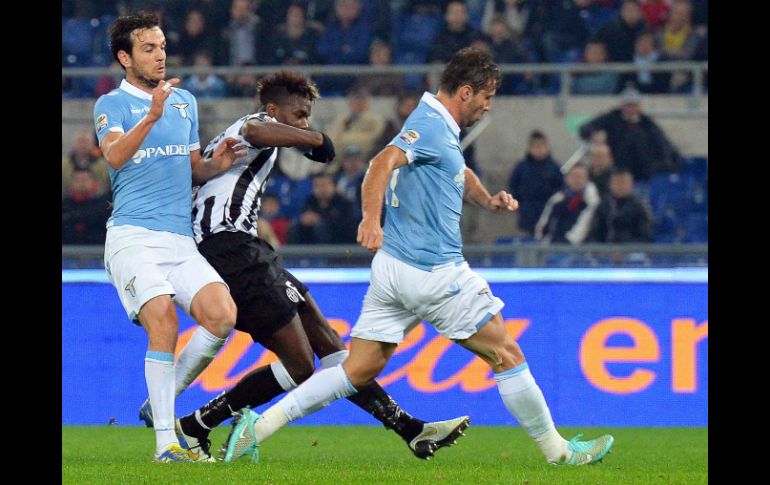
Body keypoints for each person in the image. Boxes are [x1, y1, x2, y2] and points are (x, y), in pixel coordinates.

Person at [220, 48, 615, 466]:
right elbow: (380, 164)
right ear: (466, 91)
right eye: (488, 96)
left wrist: (487, 200)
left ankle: (257, 427)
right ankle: (559, 453)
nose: (488, 105)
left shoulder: (439, 125)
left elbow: (455, 171)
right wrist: (371, 219)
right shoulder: (428, 124)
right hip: (432, 270)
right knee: (507, 354)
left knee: (357, 371)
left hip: (393, 270)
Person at [140, 70, 471, 462]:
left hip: (248, 250)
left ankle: (410, 429)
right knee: (299, 364)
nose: (304, 123)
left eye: (308, 117)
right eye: (298, 115)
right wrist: (315, 139)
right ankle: (195, 424)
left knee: (329, 344)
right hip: (229, 250)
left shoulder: (249, 140)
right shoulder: (253, 125)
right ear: (273, 109)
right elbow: (258, 130)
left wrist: (305, 136)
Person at [94, 12, 243, 463]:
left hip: (179, 239)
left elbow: (192, 166)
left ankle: (159, 398)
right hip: (132, 236)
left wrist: (217, 165)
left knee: (222, 316)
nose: (160, 56)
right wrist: (151, 114)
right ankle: (167, 444)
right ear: (125, 58)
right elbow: (116, 157)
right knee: (163, 321)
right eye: (148, 49)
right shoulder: (111, 105)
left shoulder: (185, 102)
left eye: (161, 47)